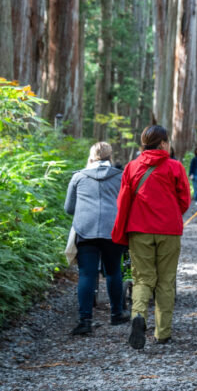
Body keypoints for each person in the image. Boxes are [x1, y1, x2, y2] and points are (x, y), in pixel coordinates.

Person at [112, 125, 190, 349]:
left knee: (143, 278)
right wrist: (171, 214)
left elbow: (123, 200)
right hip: (169, 230)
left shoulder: (131, 167)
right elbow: (184, 199)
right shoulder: (175, 167)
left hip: (139, 229)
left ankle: (139, 317)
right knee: (166, 281)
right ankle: (162, 332)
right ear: (164, 143)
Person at [65, 142, 129, 335]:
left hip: (85, 230)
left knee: (86, 275)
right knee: (113, 272)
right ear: (110, 157)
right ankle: (117, 314)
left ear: (91, 157)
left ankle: (85, 320)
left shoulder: (78, 176)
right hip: (113, 230)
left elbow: (69, 208)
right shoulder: (120, 177)